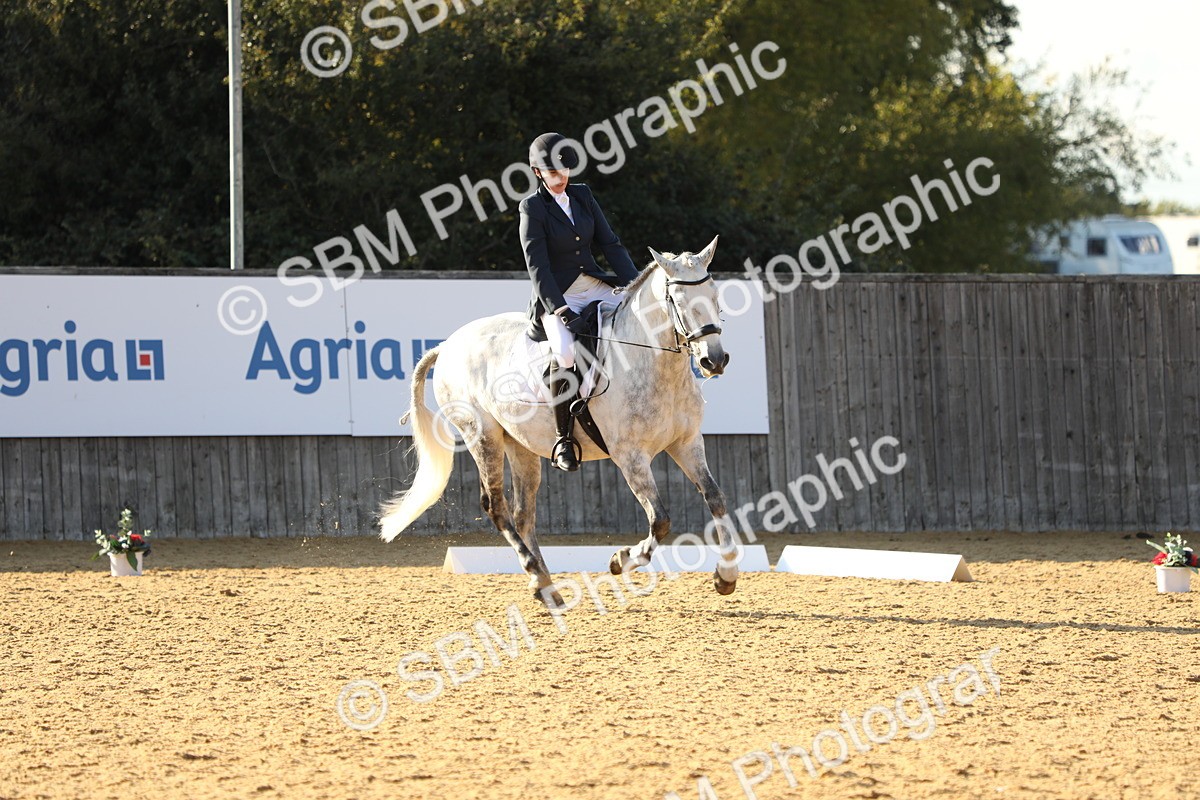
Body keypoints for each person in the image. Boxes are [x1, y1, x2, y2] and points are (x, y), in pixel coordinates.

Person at [519, 132, 640, 472]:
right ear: (537, 172)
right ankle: (562, 438)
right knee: (566, 353)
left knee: (639, 321)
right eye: (554, 173)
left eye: (566, 171)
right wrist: (558, 309)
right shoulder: (532, 207)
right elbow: (537, 265)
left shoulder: (583, 195)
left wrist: (633, 286)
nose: (562, 178)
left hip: (593, 282)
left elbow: (611, 244)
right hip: (557, 293)